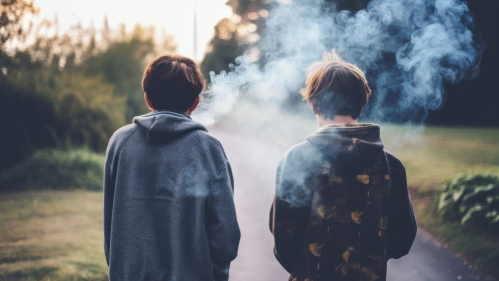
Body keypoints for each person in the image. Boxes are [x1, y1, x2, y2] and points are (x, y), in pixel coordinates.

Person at [269, 51, 417, 281]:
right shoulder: (392, 166)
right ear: (361, 103)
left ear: (313, 105)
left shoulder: (296, 160)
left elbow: (284, 239)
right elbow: (402, 240)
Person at [104, 55, 240, 281]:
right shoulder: (208, 149)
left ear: (147, 98)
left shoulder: (120, 142)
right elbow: (225, 235)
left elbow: (110, 220)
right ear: (195, 102)